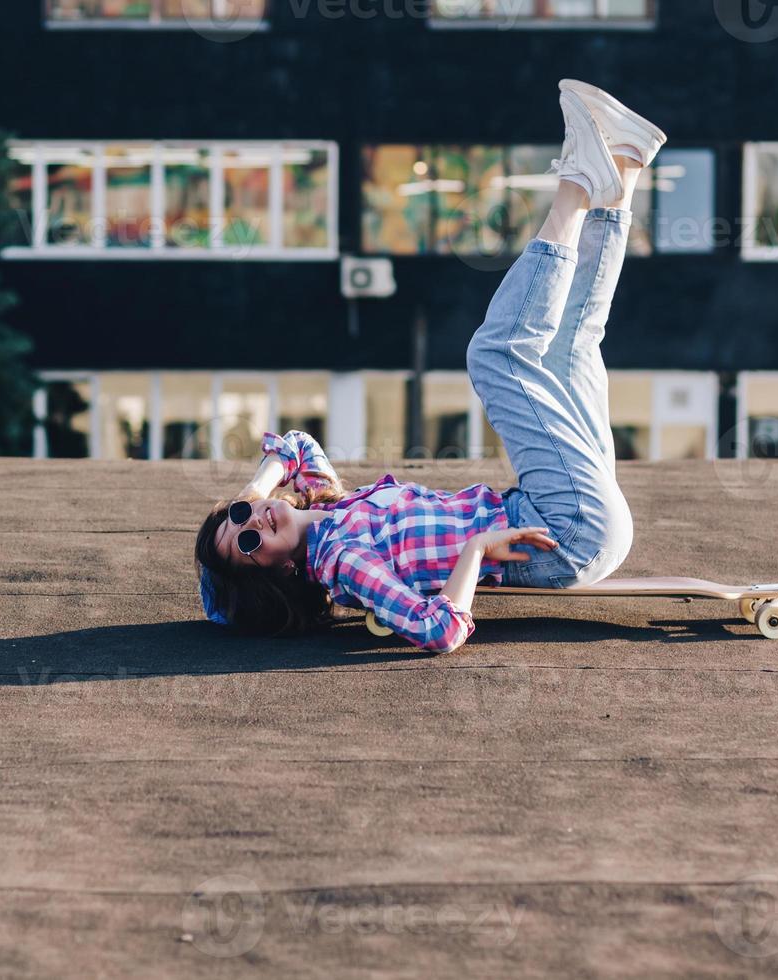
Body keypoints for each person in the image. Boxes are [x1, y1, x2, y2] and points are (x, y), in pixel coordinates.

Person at [195, 79, 667, 653]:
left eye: (239, 516)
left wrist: (251, 488)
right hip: (564, 531)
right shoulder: (343, 562)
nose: (253, 523)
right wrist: (474, 552)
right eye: (246, 544)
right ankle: (576, 187)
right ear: (280, 573)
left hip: (559, 516)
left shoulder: (330, 505)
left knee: (570, 350)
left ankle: (624, 162)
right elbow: (435, 630)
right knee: (496, 356)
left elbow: (295, 445)